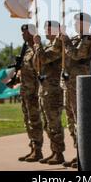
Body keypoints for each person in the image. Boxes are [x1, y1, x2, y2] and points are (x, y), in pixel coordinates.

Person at [60, 12, 91, 168]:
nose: (74, 24)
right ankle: (78, 153)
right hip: (69, 84)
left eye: (77, 22)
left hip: (80, 86)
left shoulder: (88, 39)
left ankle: (85, 155)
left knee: (80, 120)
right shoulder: (75, 39)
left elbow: (77, 54)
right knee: (71, 120)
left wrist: (66, 42)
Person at [33, 21, 66, 165]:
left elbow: (44, 58)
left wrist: (38, 45)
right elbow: (37, 64)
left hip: (53, 91)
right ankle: (53, 151)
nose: (45, 31)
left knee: (55, 123)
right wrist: (38, 48)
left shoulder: (59, 45)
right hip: (45, 89)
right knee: (48, 124)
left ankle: (59, 153)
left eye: (48, 29)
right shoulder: (47, 46)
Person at [17, 24, 43, 162]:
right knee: (27, 122)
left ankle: (38, 150)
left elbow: (39, 69)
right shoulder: (26, 51)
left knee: (35, 122)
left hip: (34, 92)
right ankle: (33, 148)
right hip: (25, 92)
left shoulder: (37, 50)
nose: (22, 35)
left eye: (25, 32)